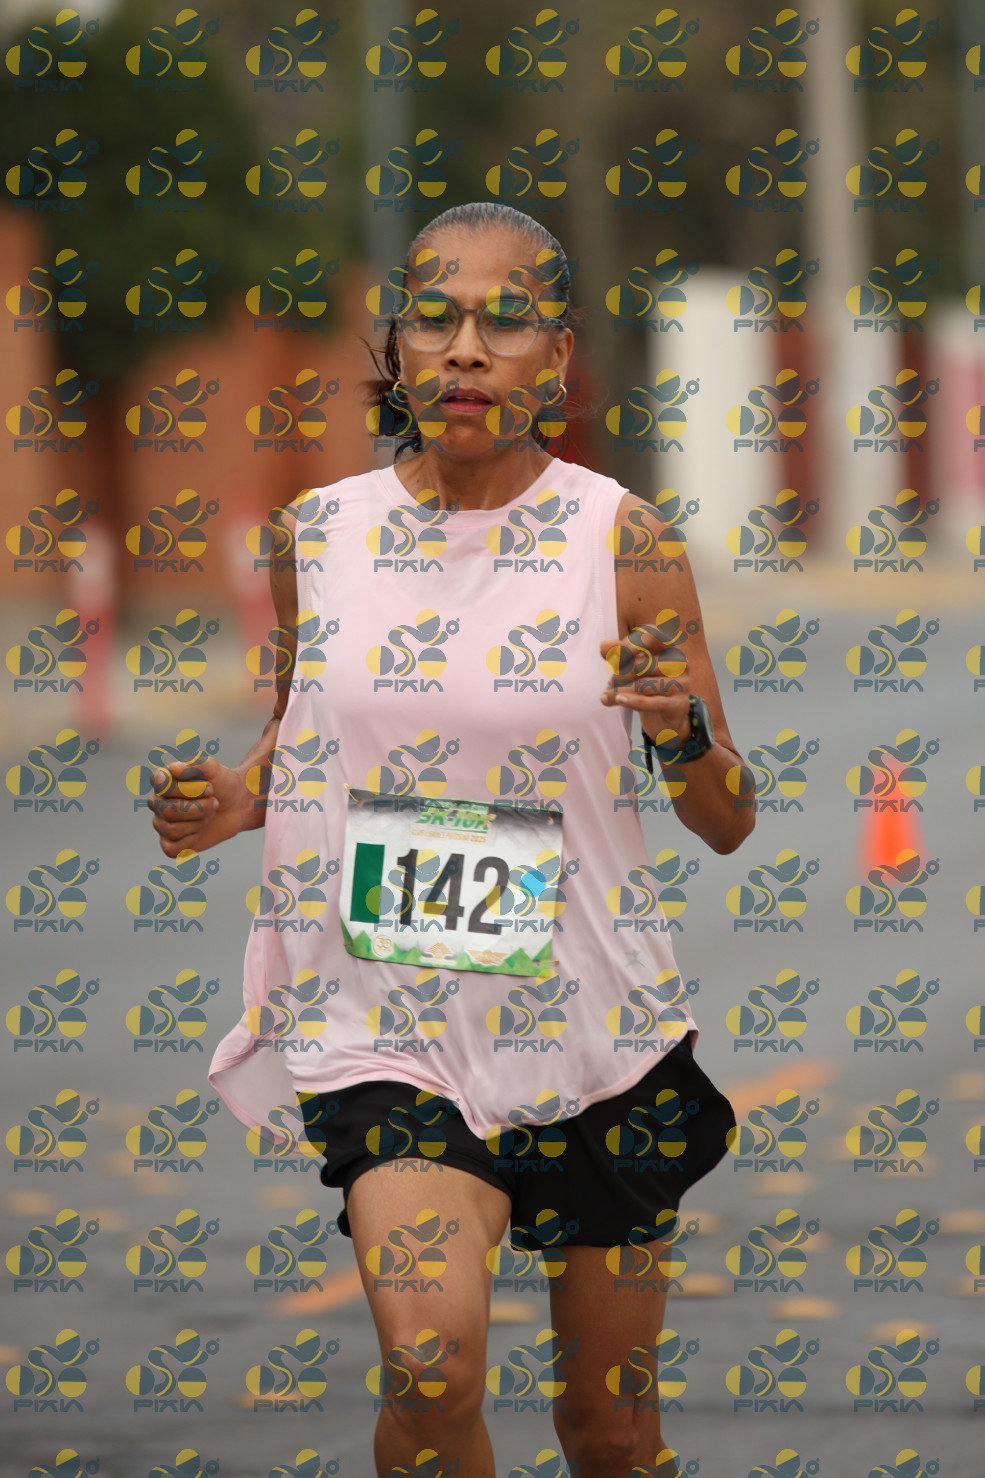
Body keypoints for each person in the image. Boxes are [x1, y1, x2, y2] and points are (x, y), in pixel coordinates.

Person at [148, 200, 755, 1478]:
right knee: (431, 1371)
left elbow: (725, 815)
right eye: (434, 317)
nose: (466, 347)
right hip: (391, 1025)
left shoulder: (621, 539)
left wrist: (681, 731)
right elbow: (301, 732)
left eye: (504, 320)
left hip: (594, 1029)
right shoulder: (318, 535)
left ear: (558, 353)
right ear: (396, 348)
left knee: (607, 1431)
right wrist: (236, 797)